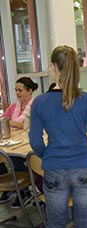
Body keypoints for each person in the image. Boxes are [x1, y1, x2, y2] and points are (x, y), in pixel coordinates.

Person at [29, 45, 87, 228]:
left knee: (55, 224)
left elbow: (35, 140)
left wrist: (48, 155)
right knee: (84, 222)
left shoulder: (39, 103)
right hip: (84, 167)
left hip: (55, 168)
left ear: (53, 67)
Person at [0, 77, 38, 208]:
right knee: (4, 156)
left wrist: (14, 123)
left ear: (29, 91)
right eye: (16, 90)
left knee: (16, 159)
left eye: (20, 90)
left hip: (28, 142)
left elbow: (32, 125)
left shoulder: (36, 106)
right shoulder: (14, 107)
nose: (17, 93)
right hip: (13, 141)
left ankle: (24, 191)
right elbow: (3, 119)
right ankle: (10, 188)